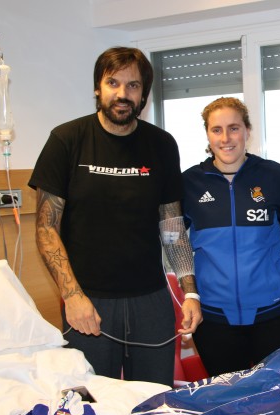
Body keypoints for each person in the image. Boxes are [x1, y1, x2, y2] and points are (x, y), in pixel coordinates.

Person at [29, 47, 202, 387]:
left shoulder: (162, 145)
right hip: (88, 302)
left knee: (154, 403)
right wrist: (72, 296)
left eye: (133, 86)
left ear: (144, 95)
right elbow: (46, 227)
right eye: (113, 82)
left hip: (151, 301)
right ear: (98, 88)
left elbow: (171, 226)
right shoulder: (66, 140)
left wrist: (190, 292)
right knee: (93, 407)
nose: (123, 94)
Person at [181, 97, 280, 376]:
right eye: (217, 130)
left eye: (234, 128)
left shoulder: (275, 176)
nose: (226, 138)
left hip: (274, 316)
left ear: (247, 131)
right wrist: (189, 293)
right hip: (215, 321)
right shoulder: (189, 183)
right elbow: (174, 242)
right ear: (207, 134)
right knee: (231, 409)